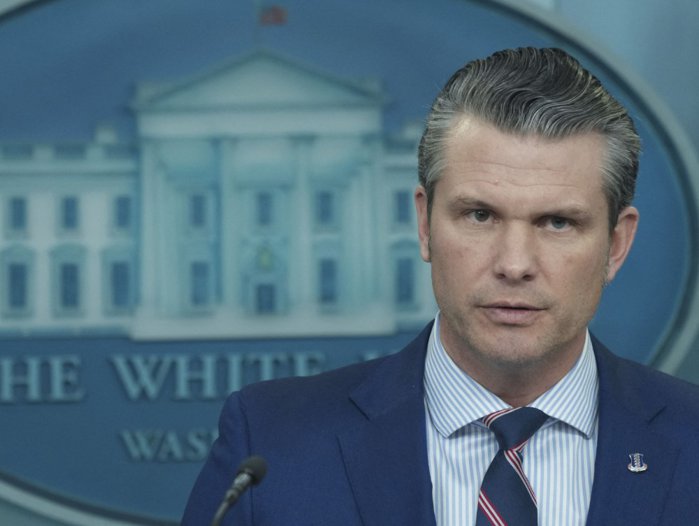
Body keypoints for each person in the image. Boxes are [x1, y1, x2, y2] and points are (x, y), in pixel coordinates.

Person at [182, 47, 699, 526]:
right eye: (479, 215)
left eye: (557, 222)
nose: (514, 264)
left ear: (616, 244)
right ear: (426, 225)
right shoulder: (271, 443)